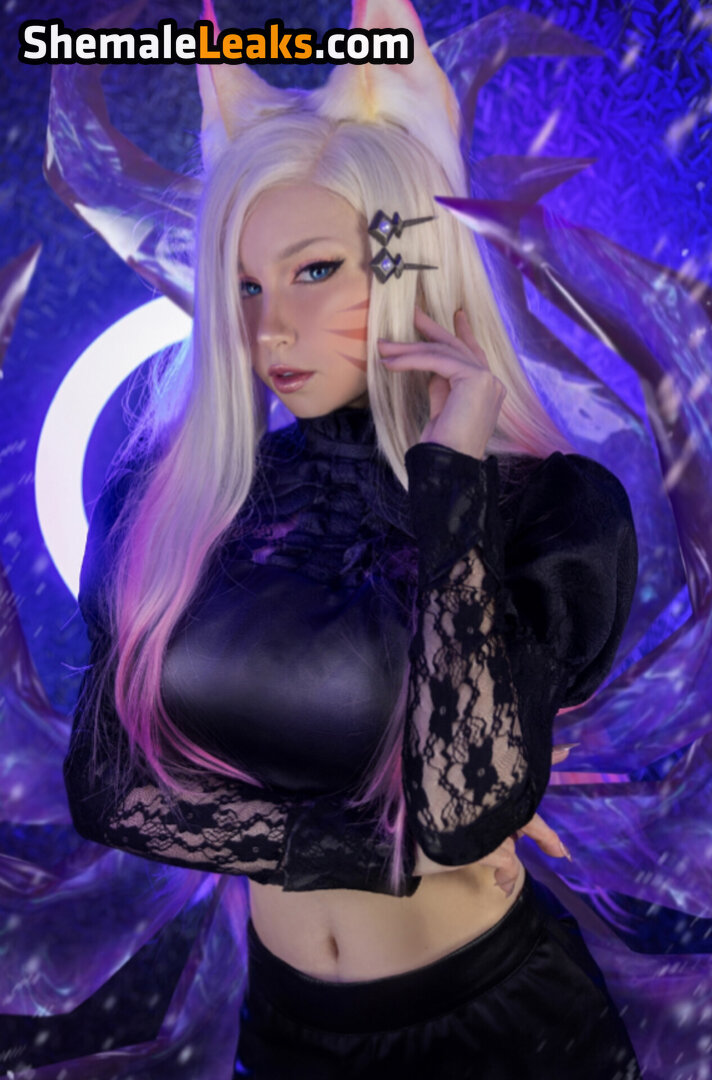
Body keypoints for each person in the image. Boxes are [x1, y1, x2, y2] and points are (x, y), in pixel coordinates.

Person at [63, 2, 642, 1076]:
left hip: (504, 1030)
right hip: (284, 1031)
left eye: (314, 269)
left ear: (403, 258)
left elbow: (462, 810)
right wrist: (364, 841)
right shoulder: (176, 504)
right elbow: (110, 789)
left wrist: (453, 482)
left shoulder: (543, 510)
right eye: (245, 284)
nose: (268, 326)